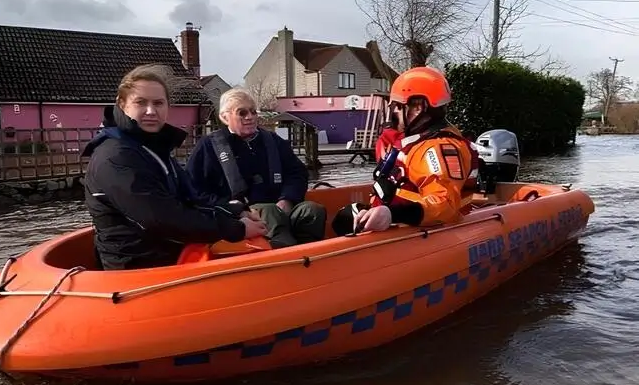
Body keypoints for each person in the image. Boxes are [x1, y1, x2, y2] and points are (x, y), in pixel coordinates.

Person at [82, 66, 268, 270]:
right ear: (122, 104)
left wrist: (235, 211)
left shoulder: (151, 149)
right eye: (141, 102)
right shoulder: (115, 157)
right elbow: (162, 218)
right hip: (138, 268)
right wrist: (237, 229)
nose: (151, 111)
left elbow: (191, 198)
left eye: (158, 103)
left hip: (167, 254)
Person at [332, 66, 479, 236]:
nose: (393, 111)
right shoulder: (418, 142)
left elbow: (444, 204)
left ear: (417, 107)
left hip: (418, 229)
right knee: (345, 217)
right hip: (403, 222)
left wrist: (392, 214)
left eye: (397, 105)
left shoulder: (438, 148)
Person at [185, 88, 327, 249]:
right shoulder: (208, 147)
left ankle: (312, 254)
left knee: (312, 211)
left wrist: (287, 199)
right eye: (242, 113)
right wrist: (234, 209)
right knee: (269, 212)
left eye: (253, 112)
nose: (250, 117)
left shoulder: (272, 141)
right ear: (225, 117)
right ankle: (288, 257)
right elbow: (194, 190)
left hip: (280, 207)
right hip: (241, 215)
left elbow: (297, 172)